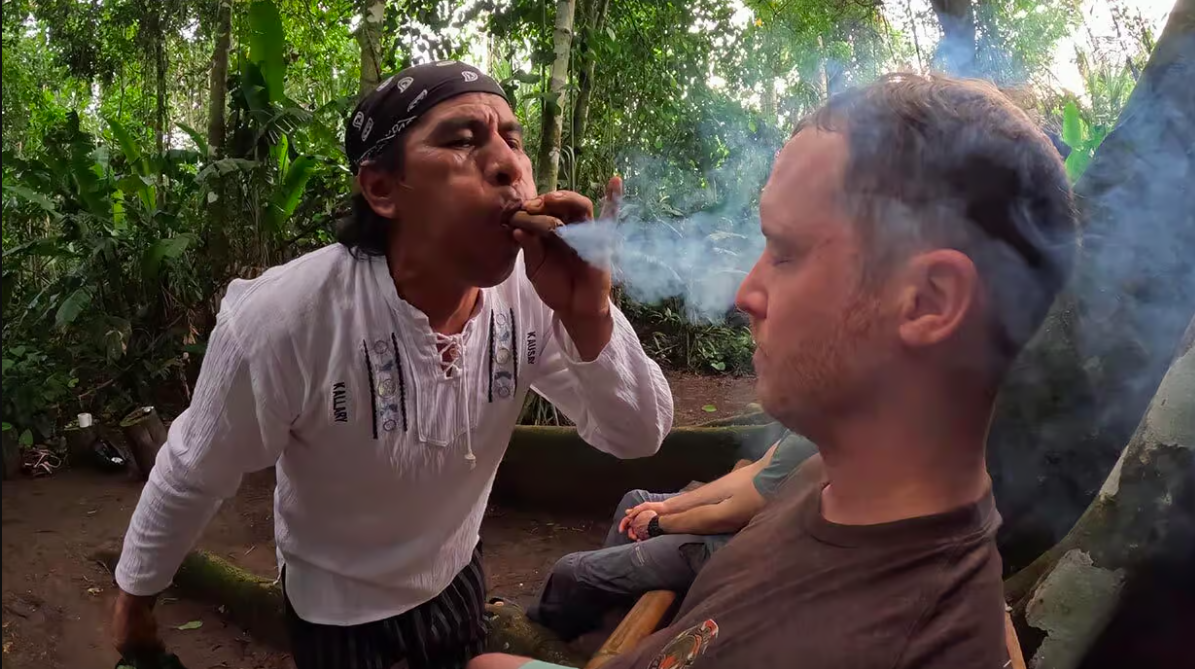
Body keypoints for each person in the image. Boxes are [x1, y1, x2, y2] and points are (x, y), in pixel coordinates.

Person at [469, 72, 1077, 669]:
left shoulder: (890, 641)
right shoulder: (832, 482)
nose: (745, 293)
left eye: (784, 252)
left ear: (929, 301)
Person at [110, 61, 674, 669]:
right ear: (382, 189)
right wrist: (137, 596)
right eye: (462, 140)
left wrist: (589, 318)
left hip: (457, 576)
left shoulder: (538, 294)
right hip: (338, 613)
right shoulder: (285, 320)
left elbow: (638, 433)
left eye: (513, 139)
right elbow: (194, 469)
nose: (509, 163)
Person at [528, 430, 817, 639]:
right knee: (636, 500)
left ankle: (544, 638)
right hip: (734, 528)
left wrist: (657, 524)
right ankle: (608, 610)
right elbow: (752, 472)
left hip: (727, 550)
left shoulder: (810, 439)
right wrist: (665, 506)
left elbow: (729, 515)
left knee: (570, 570)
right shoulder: (808, 416)